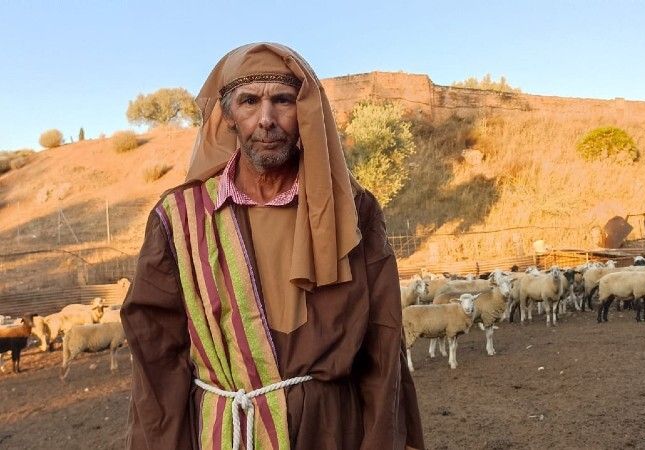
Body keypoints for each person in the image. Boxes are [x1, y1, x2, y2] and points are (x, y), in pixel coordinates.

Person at [121, 43, 425, 450]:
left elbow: (382, 345)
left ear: (305, 114)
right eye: (249, 101)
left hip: (330, 433)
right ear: (228, 116)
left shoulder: (353, 212)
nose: (266, 120)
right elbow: (156, 357)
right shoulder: (179, 218)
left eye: (282, 100)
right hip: (223, 434)